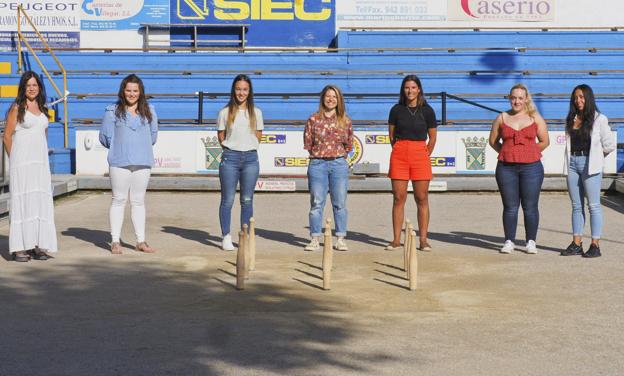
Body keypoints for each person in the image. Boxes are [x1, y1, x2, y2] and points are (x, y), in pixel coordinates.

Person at [99, 74, 158, 254]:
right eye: (128, 90)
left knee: (138, 201)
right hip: (119, 162)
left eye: (135, 91)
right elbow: (105, 137)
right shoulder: (112, 111)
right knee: (118, 199)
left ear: (140, 92)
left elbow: (153, 136)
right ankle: (115, 241)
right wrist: (120, 147)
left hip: (142, 162)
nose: (131, 94)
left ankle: (140, 241)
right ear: (122, 91)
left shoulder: (150, 111)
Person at [488, 83, 549, 254]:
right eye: (513, 98)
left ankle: (531, 241)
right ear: (509, 98)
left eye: (520, 98)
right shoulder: (501, 117)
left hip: (532, 168)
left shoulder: (535, 117)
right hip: (506, 168)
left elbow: (545, 141)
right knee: (510, 206)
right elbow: (493, 141)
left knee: (530, 206)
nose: (516, 101)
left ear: (526, 99)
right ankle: (509, 240)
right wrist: (507, 153)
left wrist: (529, 153)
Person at [3, 71, 57, 262]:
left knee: (39, 202)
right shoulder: (17, 108)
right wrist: (15, 159)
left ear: (40, 87)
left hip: (40, 165)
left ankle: (38, 245)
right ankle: (19, 248)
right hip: (22, 165)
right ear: (23, 88)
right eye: (28, 85)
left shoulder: (44, 109)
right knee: (23, 203)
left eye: (35, 85)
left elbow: (43, 136)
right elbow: (7, 136)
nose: (32, 88)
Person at [560, 84, 615, 258]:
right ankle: (577, 243)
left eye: (582, 97)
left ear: (589, 98)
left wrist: (597, 158)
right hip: (572, 163)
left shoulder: (600, 119)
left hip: (590, 164)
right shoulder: (571, 119)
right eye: (576, 97)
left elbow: (610, 145)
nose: (578, 100)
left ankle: (595, 244)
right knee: (576, 206)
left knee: (593, 206)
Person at [385, 75, 437, 252]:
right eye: (407, 87)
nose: (410, 91)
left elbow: (433, 137)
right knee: (399, 197)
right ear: (403, 90)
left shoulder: (428, 111)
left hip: (420, 154)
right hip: (400, 153)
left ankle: (423, 240)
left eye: (413, 87)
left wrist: (423, 154)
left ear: (419, 89)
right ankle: (396, 240)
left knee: (421, 198)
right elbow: (391, 135)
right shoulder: (396, 110)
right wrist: (400, 149)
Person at [303, 85, 354, 251]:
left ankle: (340, 238)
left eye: (334, 96)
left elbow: (349, 144)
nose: (331, 99)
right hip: (317, 164)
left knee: (339, 203)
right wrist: (320, 154)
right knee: (317, 203)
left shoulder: (345, 120)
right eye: (328, 96)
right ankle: (315, 238)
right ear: (322, 98)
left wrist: (337, 155)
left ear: (339, 100)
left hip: (338, 164)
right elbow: (308, 143)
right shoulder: (313, 119)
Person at [217, 74, 263, 251]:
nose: (241, 93)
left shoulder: (256, 113)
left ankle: (245, 235)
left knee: (247, 199)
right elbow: (221, 136)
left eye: (244, 89)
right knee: (227, 199)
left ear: (249, 91)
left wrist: (249, 146)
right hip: (230, 158)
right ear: (233, 90)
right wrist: (233, 148)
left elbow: (258, 135)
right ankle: (226, 236)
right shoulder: (224, 112)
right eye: (238, 89)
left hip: (251, 159)